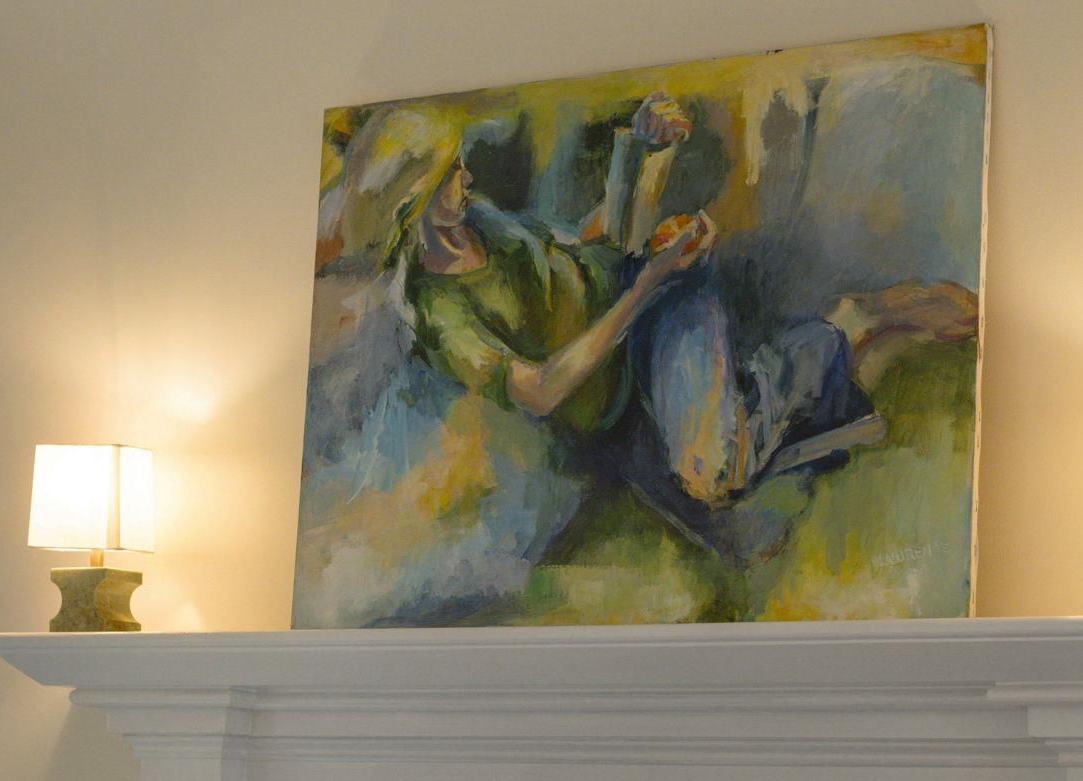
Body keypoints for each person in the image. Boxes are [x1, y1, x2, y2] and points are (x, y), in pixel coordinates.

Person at [334, 93, 977, 557]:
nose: (467, 178)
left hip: (663, 316)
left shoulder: (487, 226)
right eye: (450, 174)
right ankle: (802, 376)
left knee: (712, 476)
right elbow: (539, 388)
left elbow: (595, 249)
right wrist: (643, 277)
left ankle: (853, 320)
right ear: (415, 203)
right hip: (630, 345)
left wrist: (637, 152)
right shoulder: (439, 312)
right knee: (727, 503)